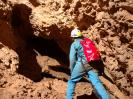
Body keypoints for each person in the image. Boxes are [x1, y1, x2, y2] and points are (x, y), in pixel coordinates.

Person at [66, 28, 110, 99]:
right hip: (93, 63)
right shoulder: (87, 41)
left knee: (72, 81)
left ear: (73, 37)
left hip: (82, 64)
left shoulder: (74, 44)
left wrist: (72, 70)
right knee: (96, 82)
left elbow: (72, 59)